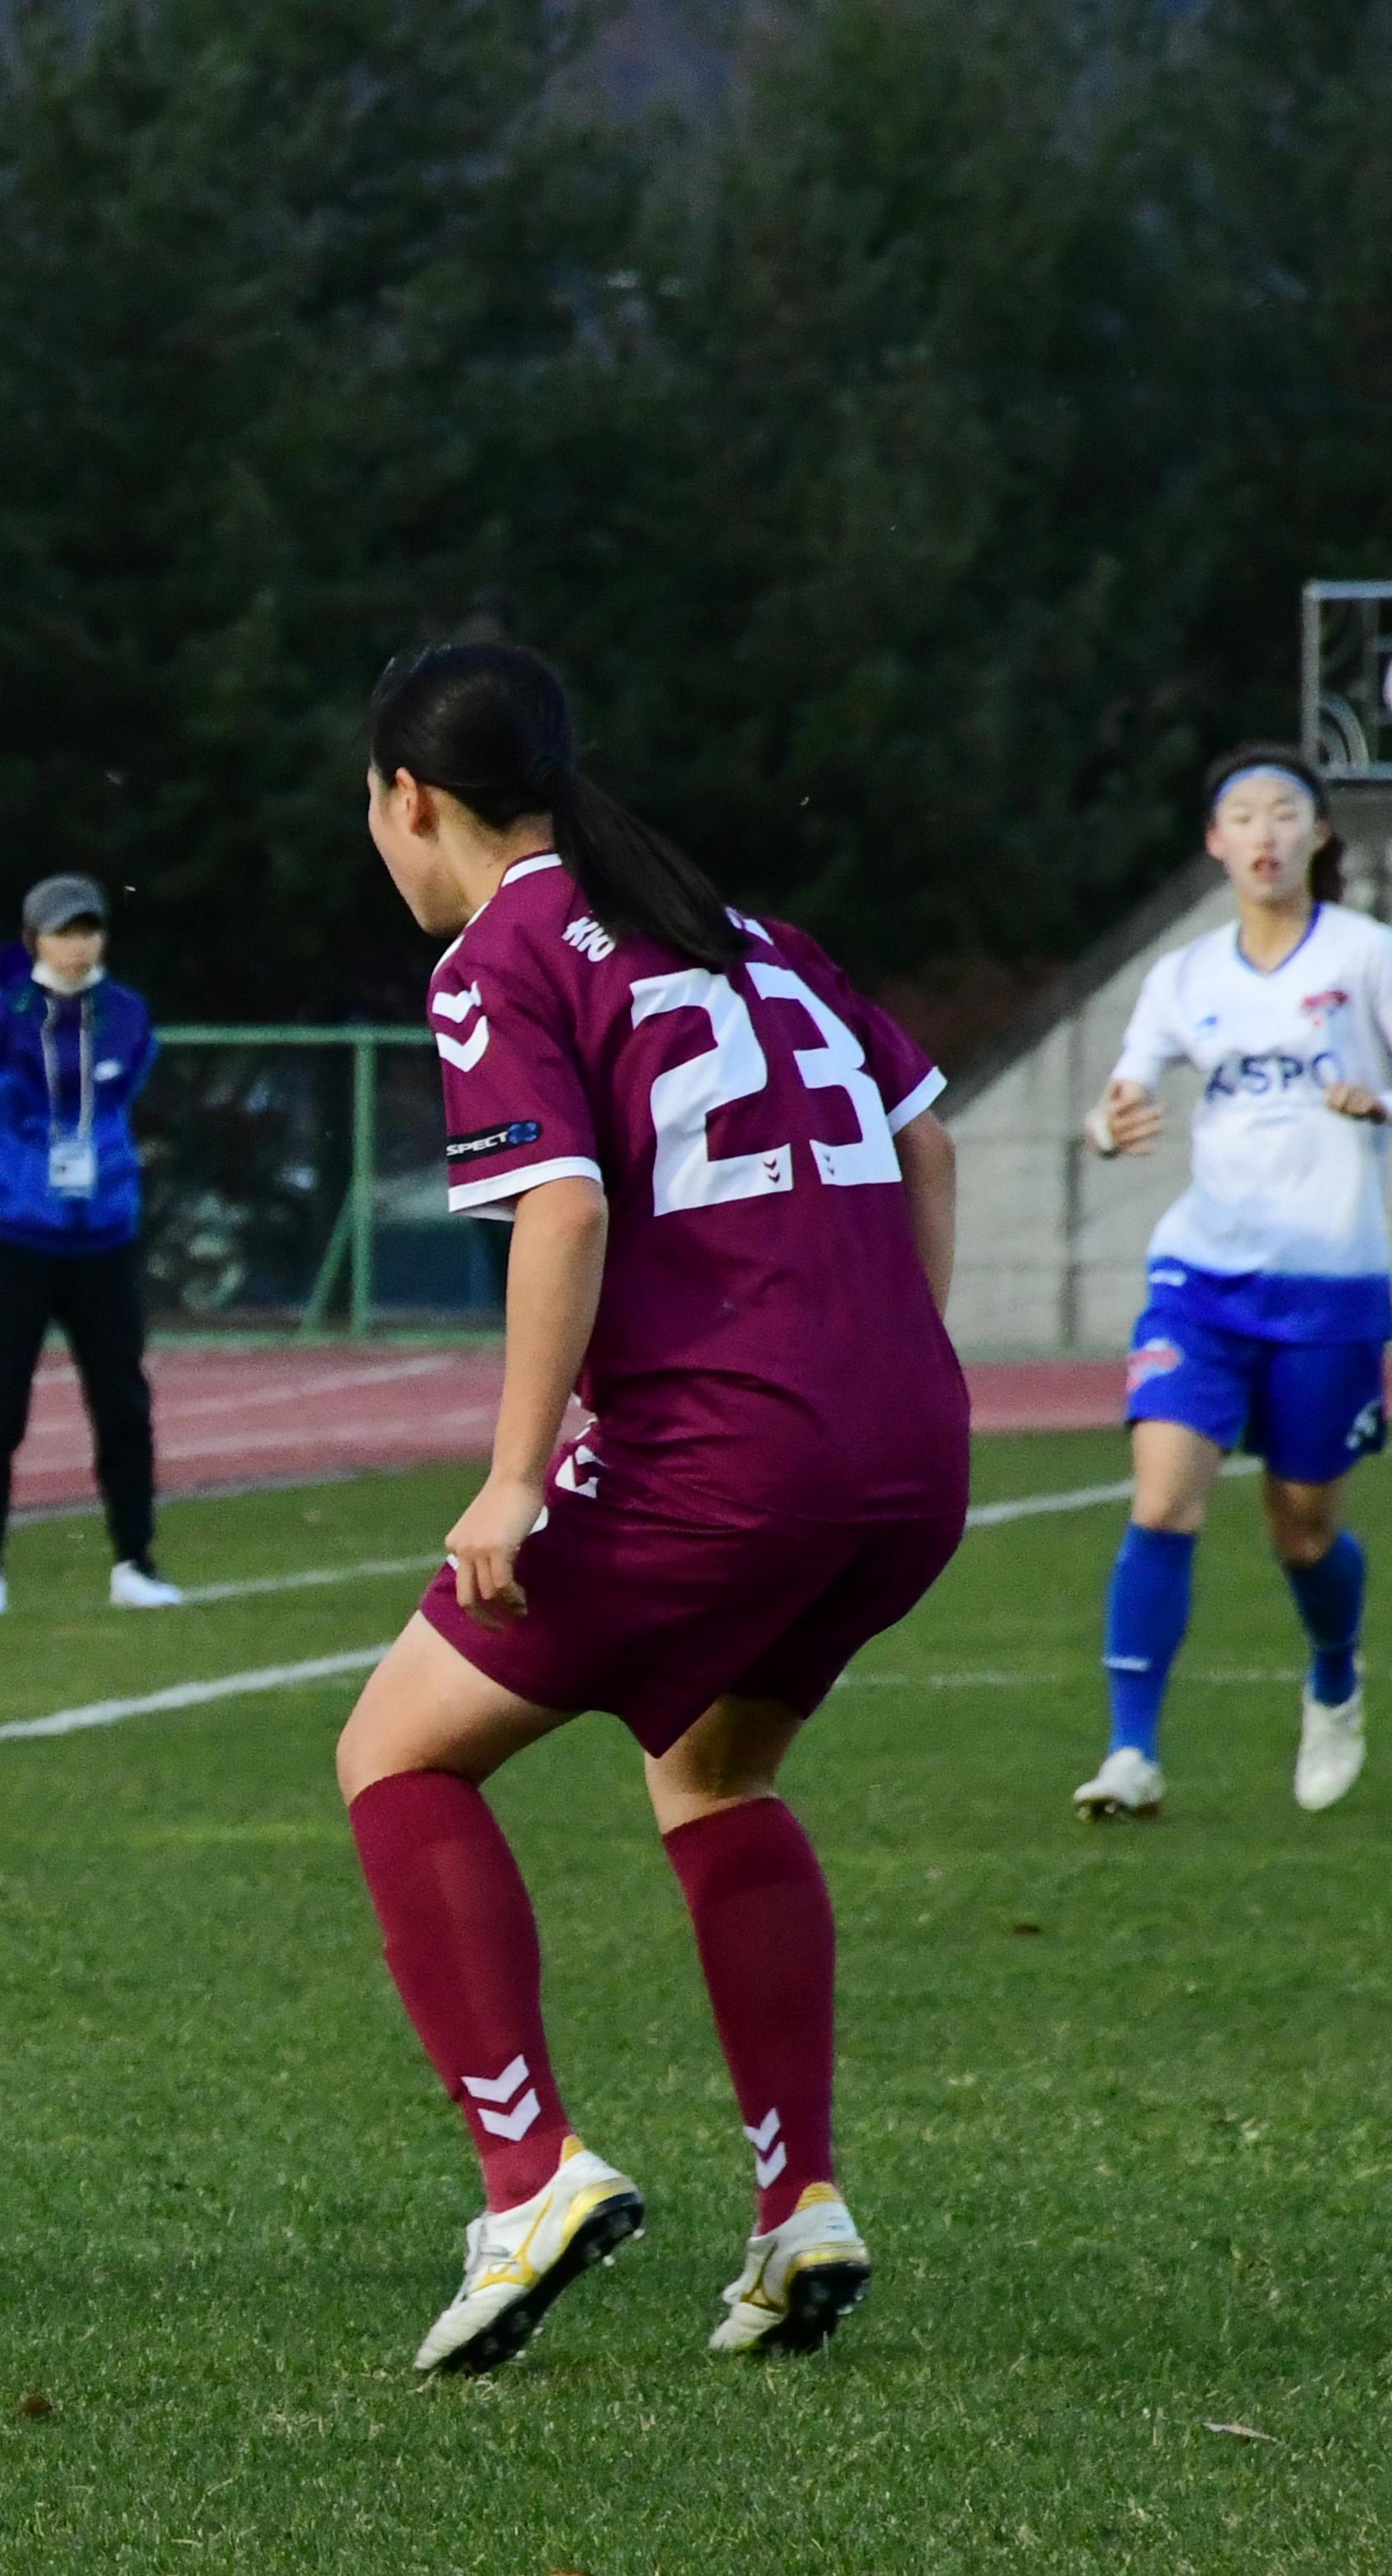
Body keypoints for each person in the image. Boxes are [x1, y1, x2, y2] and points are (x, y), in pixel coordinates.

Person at [331, 642, 965, 2376]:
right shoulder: (744, 928)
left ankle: (529, 2173)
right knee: (714, 1770)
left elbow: (564, 1211)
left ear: (412, 799)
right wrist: (894, 1357)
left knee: (395, 1752)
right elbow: (927, 1138)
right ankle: (799, 2201)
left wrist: (516, 1474)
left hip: (726, 1458)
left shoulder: (499, 955)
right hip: (913, 1452)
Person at [1069, 747, 1392, 1820]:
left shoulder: (1367, 955)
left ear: (1317, 836)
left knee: (1302, 1530)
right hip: (1200, 1278)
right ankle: (1130, 1753)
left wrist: (1379, 1106)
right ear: (1215, 843)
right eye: (1242, 816)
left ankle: (1336, 1675)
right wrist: (1106, 1126)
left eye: (1285, 813)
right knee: (1163, 1498)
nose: (1264, 833)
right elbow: (1119, 1096)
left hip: (1334, 1287)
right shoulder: (1186, 976)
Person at [0, 874, 175, 1613]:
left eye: (90, 929)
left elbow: (128, 1090)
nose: (79, 945)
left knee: (123, 1402)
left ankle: (134, 1561)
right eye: (65, 931)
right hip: (15, 1235)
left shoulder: (127, 1016)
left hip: (101, 1233)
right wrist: (16, 1174)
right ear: (34, 937)